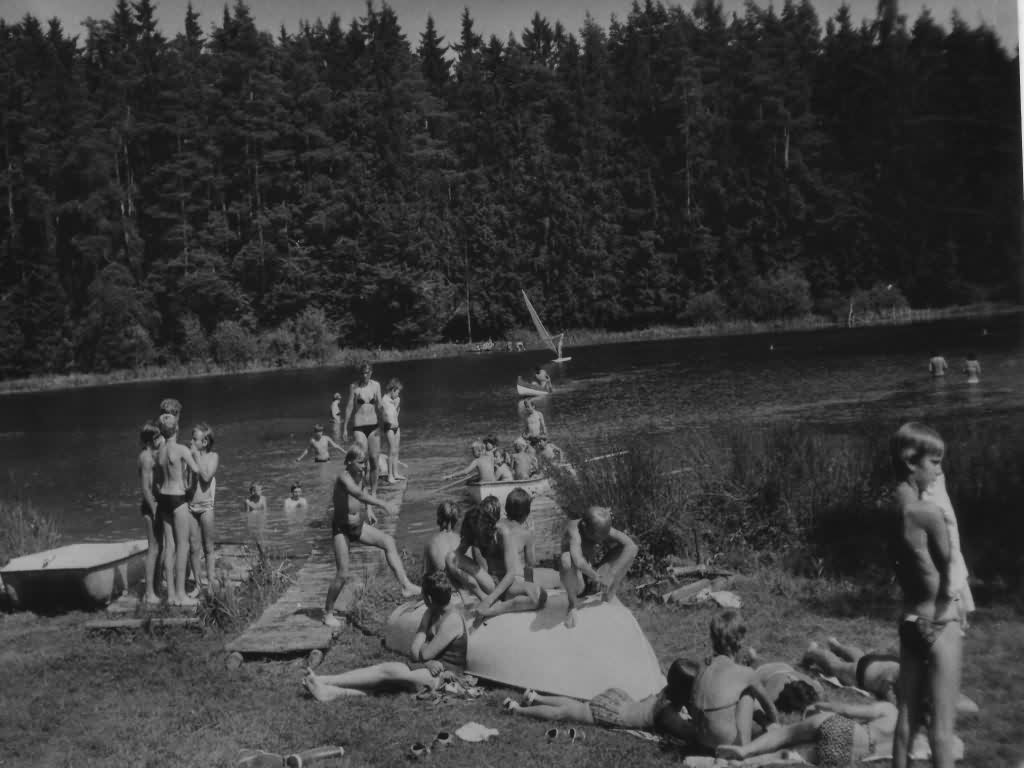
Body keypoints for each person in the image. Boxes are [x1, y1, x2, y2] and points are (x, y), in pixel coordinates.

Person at [889, 422, 963, 768]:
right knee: (942, 730)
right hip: (939, 622)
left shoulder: (890, 511)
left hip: (909, 619)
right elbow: (950, 567)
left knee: (906, 719)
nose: (939, 471)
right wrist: (955, 603)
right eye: (934, 462)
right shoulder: (928, 513)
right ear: (910, 461)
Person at [303, 571, 468, 701]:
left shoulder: (451, 620)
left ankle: (326, 683)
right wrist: (426, 658)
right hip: (428, 669)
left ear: (430, 599)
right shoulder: (432, 612)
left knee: (390, 674)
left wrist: (424, 639)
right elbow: (414, 652)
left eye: (423, 595)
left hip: (445, 677)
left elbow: (423, 654)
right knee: (385, 672)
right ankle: (328, 688)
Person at [323, 446, 420, 628]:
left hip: (357, 526)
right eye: (360, 463)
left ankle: (406, 585)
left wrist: (369, 510)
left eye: (365, 463)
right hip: (342, 529)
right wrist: (383, 504)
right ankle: (327, 613)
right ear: (349, 462)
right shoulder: (343, 477)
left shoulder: (361, 474)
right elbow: (358, 494)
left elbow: (365, 490)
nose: (364, 466)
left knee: (388, 541)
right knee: (342, 573)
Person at [505, 658, 698, 740]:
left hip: (620, 700)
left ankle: (536, 697)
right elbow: (691, 733)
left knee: (576, 706)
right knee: (562, 713)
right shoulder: (667, 714)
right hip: (611, 712)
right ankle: (518, 710)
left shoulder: (665, 692)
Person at [801, 637, 978, 713]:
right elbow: (890, 698)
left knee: (860, 656)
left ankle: (838, 645)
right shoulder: (914, 684)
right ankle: (813, 651)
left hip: (886, 662)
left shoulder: (925, 673)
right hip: (866, 673)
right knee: (835, 666)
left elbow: (972, 706)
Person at [689, 611, 779, 750]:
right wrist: (774, 724)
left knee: (737, 692)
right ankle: (745, 748)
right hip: (724, 744)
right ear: (739, 642)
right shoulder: (746, 673)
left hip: (699, 740)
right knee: (748, 693)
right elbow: (770, 709)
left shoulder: (702, 665)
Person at [716, 699, 899, 765]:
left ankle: (745, 751)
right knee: (793, 754)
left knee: (787, 733)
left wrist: (821, 705)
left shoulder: (891, 710)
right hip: (848, 754)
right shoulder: (907, 742)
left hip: (844, 728)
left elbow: (847, 710)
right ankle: (745, 764)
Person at [559, 506, 638, 628]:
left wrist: (610, 574)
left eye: (602, 537)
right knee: (566, 558)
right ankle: (572, 604)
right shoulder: (573, 531)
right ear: (585, 526)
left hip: (596, 575)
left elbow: (631, 546)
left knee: (629, 551)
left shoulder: (599, 526)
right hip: (579, 581)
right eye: (597, 537)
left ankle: (608, 596)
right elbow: (579, 562)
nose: (599, 541)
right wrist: (596, 577)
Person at [474, 488, 548, 620]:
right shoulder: (526, 534)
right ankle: (500, 608)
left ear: (506, 508)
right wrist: (532, 533)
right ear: (527, 513)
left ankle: (496, 603)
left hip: (490, 583)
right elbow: (530, 564)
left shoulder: (495, 526)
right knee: (541, 596)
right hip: (510, 587)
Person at [155, 413, 201, 607]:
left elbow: (157, 480)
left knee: (169, 546)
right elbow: (196, 470)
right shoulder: (181, 449)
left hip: (163, 498)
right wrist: (190, 487)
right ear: (177, 429)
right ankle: (181, 595)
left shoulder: (159, 451)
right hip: (178, 497)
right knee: (183, 546)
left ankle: (171, 595)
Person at [445, 497, 500, 600]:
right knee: (451, 557)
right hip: (489, 582)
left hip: (500, 584)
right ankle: (473, 594)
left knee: (451, 558)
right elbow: (454, 558)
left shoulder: (499, 534)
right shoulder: (473, 531)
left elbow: (512, 571)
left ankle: (482, 596)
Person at [187, 422, 219, 593]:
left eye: (195, 439)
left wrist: (196, 457)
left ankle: (211, 582)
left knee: (208, 547)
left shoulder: (213, 457)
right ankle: (198, 585)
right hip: (191, 507)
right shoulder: (189, 457)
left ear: (205, 442)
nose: (191, 442)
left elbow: (206, 478)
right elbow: (185, 483)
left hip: (206, 507)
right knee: (193, 547)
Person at [342, 362, 384, 496]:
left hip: (374, 426)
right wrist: (344, 427)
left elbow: (379, 405)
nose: (364, 375)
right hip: (359, 426)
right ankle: (362, 490)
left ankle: (374, 492)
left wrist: (386, 420)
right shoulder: (354, 386)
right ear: (360, 374)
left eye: (367, 373)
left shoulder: (376, 385)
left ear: (371, 373)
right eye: (362, 373)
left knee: (374, 459)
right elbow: (349, 406)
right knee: (362, 459)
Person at [137, 421, 163, 605]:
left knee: (159, 547)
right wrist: (154, 509)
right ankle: (149, 593)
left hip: (154, 504)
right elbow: (145, 488)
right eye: (157, 436)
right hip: (149, 506)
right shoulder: (146, 457)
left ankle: (156, 587)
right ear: (150, 439)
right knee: (153, 549)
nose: (160, 439)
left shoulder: (150, 455)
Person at [423, 501, 463, 579]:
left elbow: (425, 576)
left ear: (439, 518)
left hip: (442, 584)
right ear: (457, 519)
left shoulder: (431, 543)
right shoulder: (463, 541)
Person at [380, 378, 405, 483]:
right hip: (389, 427)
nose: (398, 394)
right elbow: (382, 413)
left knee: (396, 450)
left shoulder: (395, 400)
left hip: (396, 427)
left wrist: (397, 403)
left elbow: (395, 412)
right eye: (397, 391)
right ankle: (389, 475)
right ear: (393, 390)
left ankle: (395, 473)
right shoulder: (384, 400)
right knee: (391, 450)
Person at [244, 482, 268, 552]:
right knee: (253, 536)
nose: (261, 491)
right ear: (253, 491)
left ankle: (263, 550)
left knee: (261, 535)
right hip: (252, 521)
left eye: (261, 490)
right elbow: (247, 515)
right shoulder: (247, 501)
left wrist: (265, 521)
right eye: (259, 490)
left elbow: (265, 512)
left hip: (261, 520)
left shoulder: (263, 499)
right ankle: (250, 549)